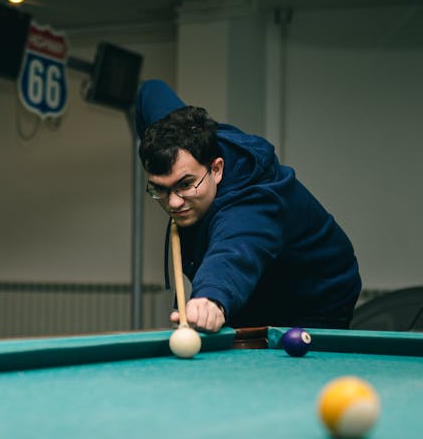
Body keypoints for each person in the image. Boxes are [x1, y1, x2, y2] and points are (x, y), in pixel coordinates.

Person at [136, 80, 361, 333]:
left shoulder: (250, 205)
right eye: (160, 189)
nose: (173, 202)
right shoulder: (181, 135)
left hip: (317, 295)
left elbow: (234, 251)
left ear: (217, 169)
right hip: (257, 286)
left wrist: (210, 298)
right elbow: (151, 91)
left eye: (186, 184)